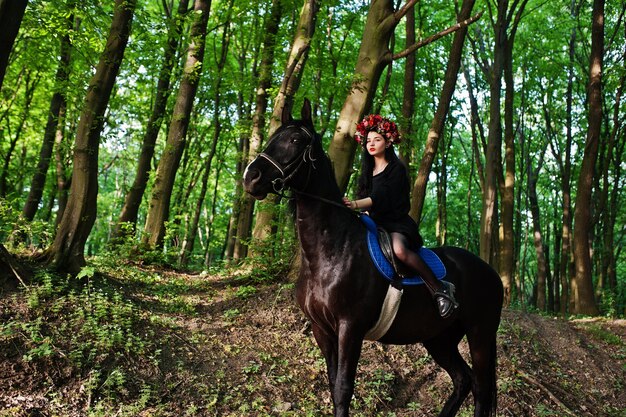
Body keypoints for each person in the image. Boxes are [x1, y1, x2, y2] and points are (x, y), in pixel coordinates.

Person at [343, 114, 459, 318]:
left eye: (376, 140)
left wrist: (354, 204)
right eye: (368, 140)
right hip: (373, 222)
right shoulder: (366, 171)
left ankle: (440, 289)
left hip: (395, 224)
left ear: (387, 142)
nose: (371, 144)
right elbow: (366, 199)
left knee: (399, 250)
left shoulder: (396, 169)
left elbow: (379, 197)